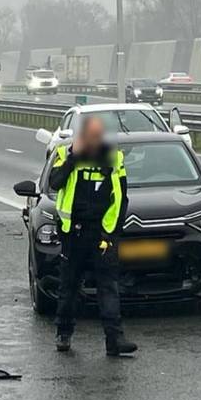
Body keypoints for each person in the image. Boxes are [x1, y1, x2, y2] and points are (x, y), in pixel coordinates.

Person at [48, 115, 137, 357]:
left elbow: (120, 198)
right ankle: (64, 333)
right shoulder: (64, 154)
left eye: (98, 135)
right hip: (73, 232)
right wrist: (73, 158)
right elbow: (55, 183)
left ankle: (114, 340)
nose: (94, 140)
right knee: (69, 285)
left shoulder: (113, 157)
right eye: (90, 135)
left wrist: (111, 233)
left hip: (101, 233)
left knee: (108, 286)